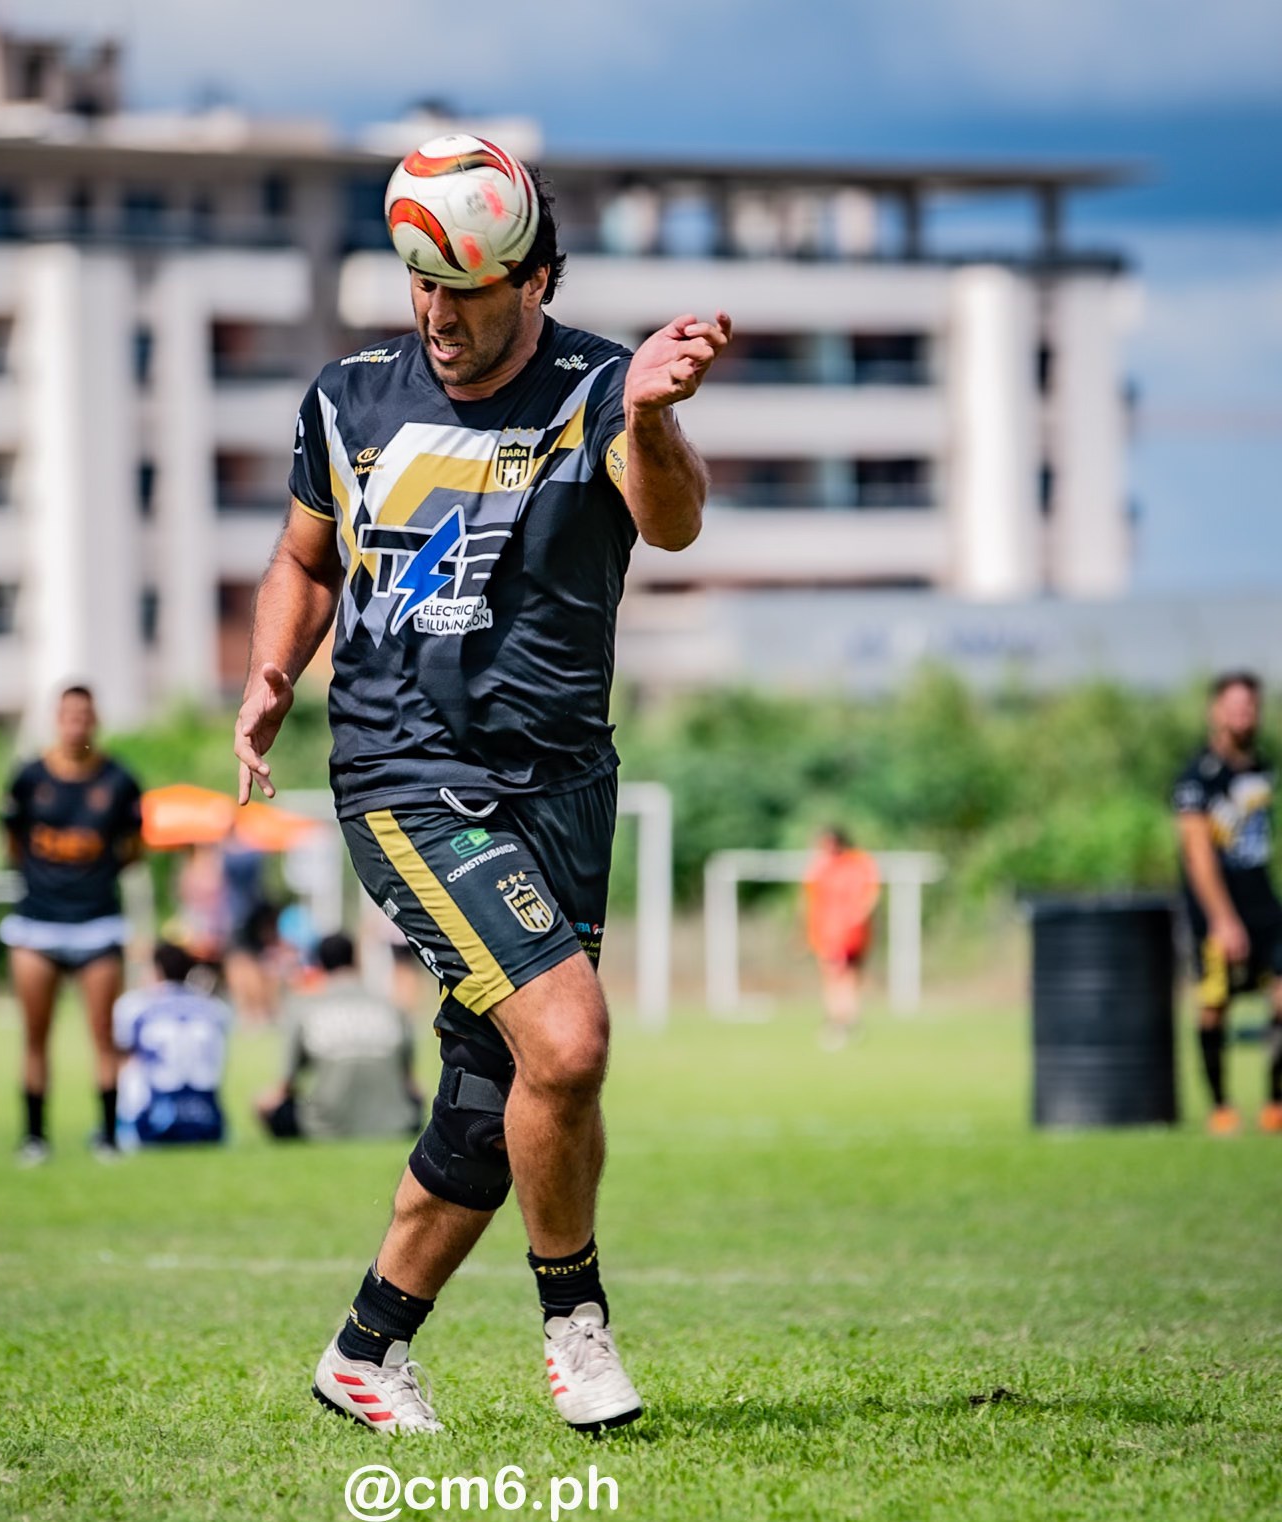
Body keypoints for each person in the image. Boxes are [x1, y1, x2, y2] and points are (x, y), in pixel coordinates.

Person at [233, 138, 730, 1434]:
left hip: (565, 781)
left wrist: (654, 416)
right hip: (408, 775)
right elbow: (301, 559)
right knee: (568, 1040)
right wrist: (272, 670)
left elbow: (671, 524)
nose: (438, 316)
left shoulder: (601, 390)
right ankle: (578, 1324)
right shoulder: (345, 401)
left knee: (494, 1094)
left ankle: (364, 1349)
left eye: (465, 289)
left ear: (537, 276)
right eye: (420, 286)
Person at [0, 684, 143, 1163]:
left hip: (97, 925)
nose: (76, 722)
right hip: (36, 926)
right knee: (35, 1038)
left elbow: (133, 849)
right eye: (68, 714)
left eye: (84, 714)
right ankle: (34, 1138)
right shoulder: (27, 778)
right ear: (56, 719)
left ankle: (107, 1136)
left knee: (104, 1036)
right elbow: (12, 844)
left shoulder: (120, 781)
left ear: (95, 719)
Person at [1172, 671, 1282, 1136]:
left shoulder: (1262, 770)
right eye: (1234, 705)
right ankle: (1221, 1107)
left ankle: (1275, 1104)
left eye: (1250, 706)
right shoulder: (1197, 779)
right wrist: (1222, 920)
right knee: (1214, 1005)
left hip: (1265, 905)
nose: (1243, 714)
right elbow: (1198, 856)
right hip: (1217, 913)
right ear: (1215, 711)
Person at [256, 932, 423, 1142]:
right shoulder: (390, 1006)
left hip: (323, 1125)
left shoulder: (304, 1007)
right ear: (355, 960)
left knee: (264, 1103)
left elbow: (286, 1084)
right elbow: (410, 1082)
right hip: (397, 1123)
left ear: (319, 965)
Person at [113, 939, 234, 1148]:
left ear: (156, 970)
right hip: (209, 1124)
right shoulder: (216, 1008)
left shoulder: (134, 1005)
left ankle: (122, 1127)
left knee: (128, 1064)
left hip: (149, 1126)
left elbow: (121, 1056)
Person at [803, 826, 881, 1049]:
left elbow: (869, 897)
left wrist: (854, 920)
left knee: (840, 978)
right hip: (834, 934)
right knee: (841, 978)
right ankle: (845, 1022)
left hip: (842, 934)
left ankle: (839, 1024)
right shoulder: (829, 866)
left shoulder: (851, 865)